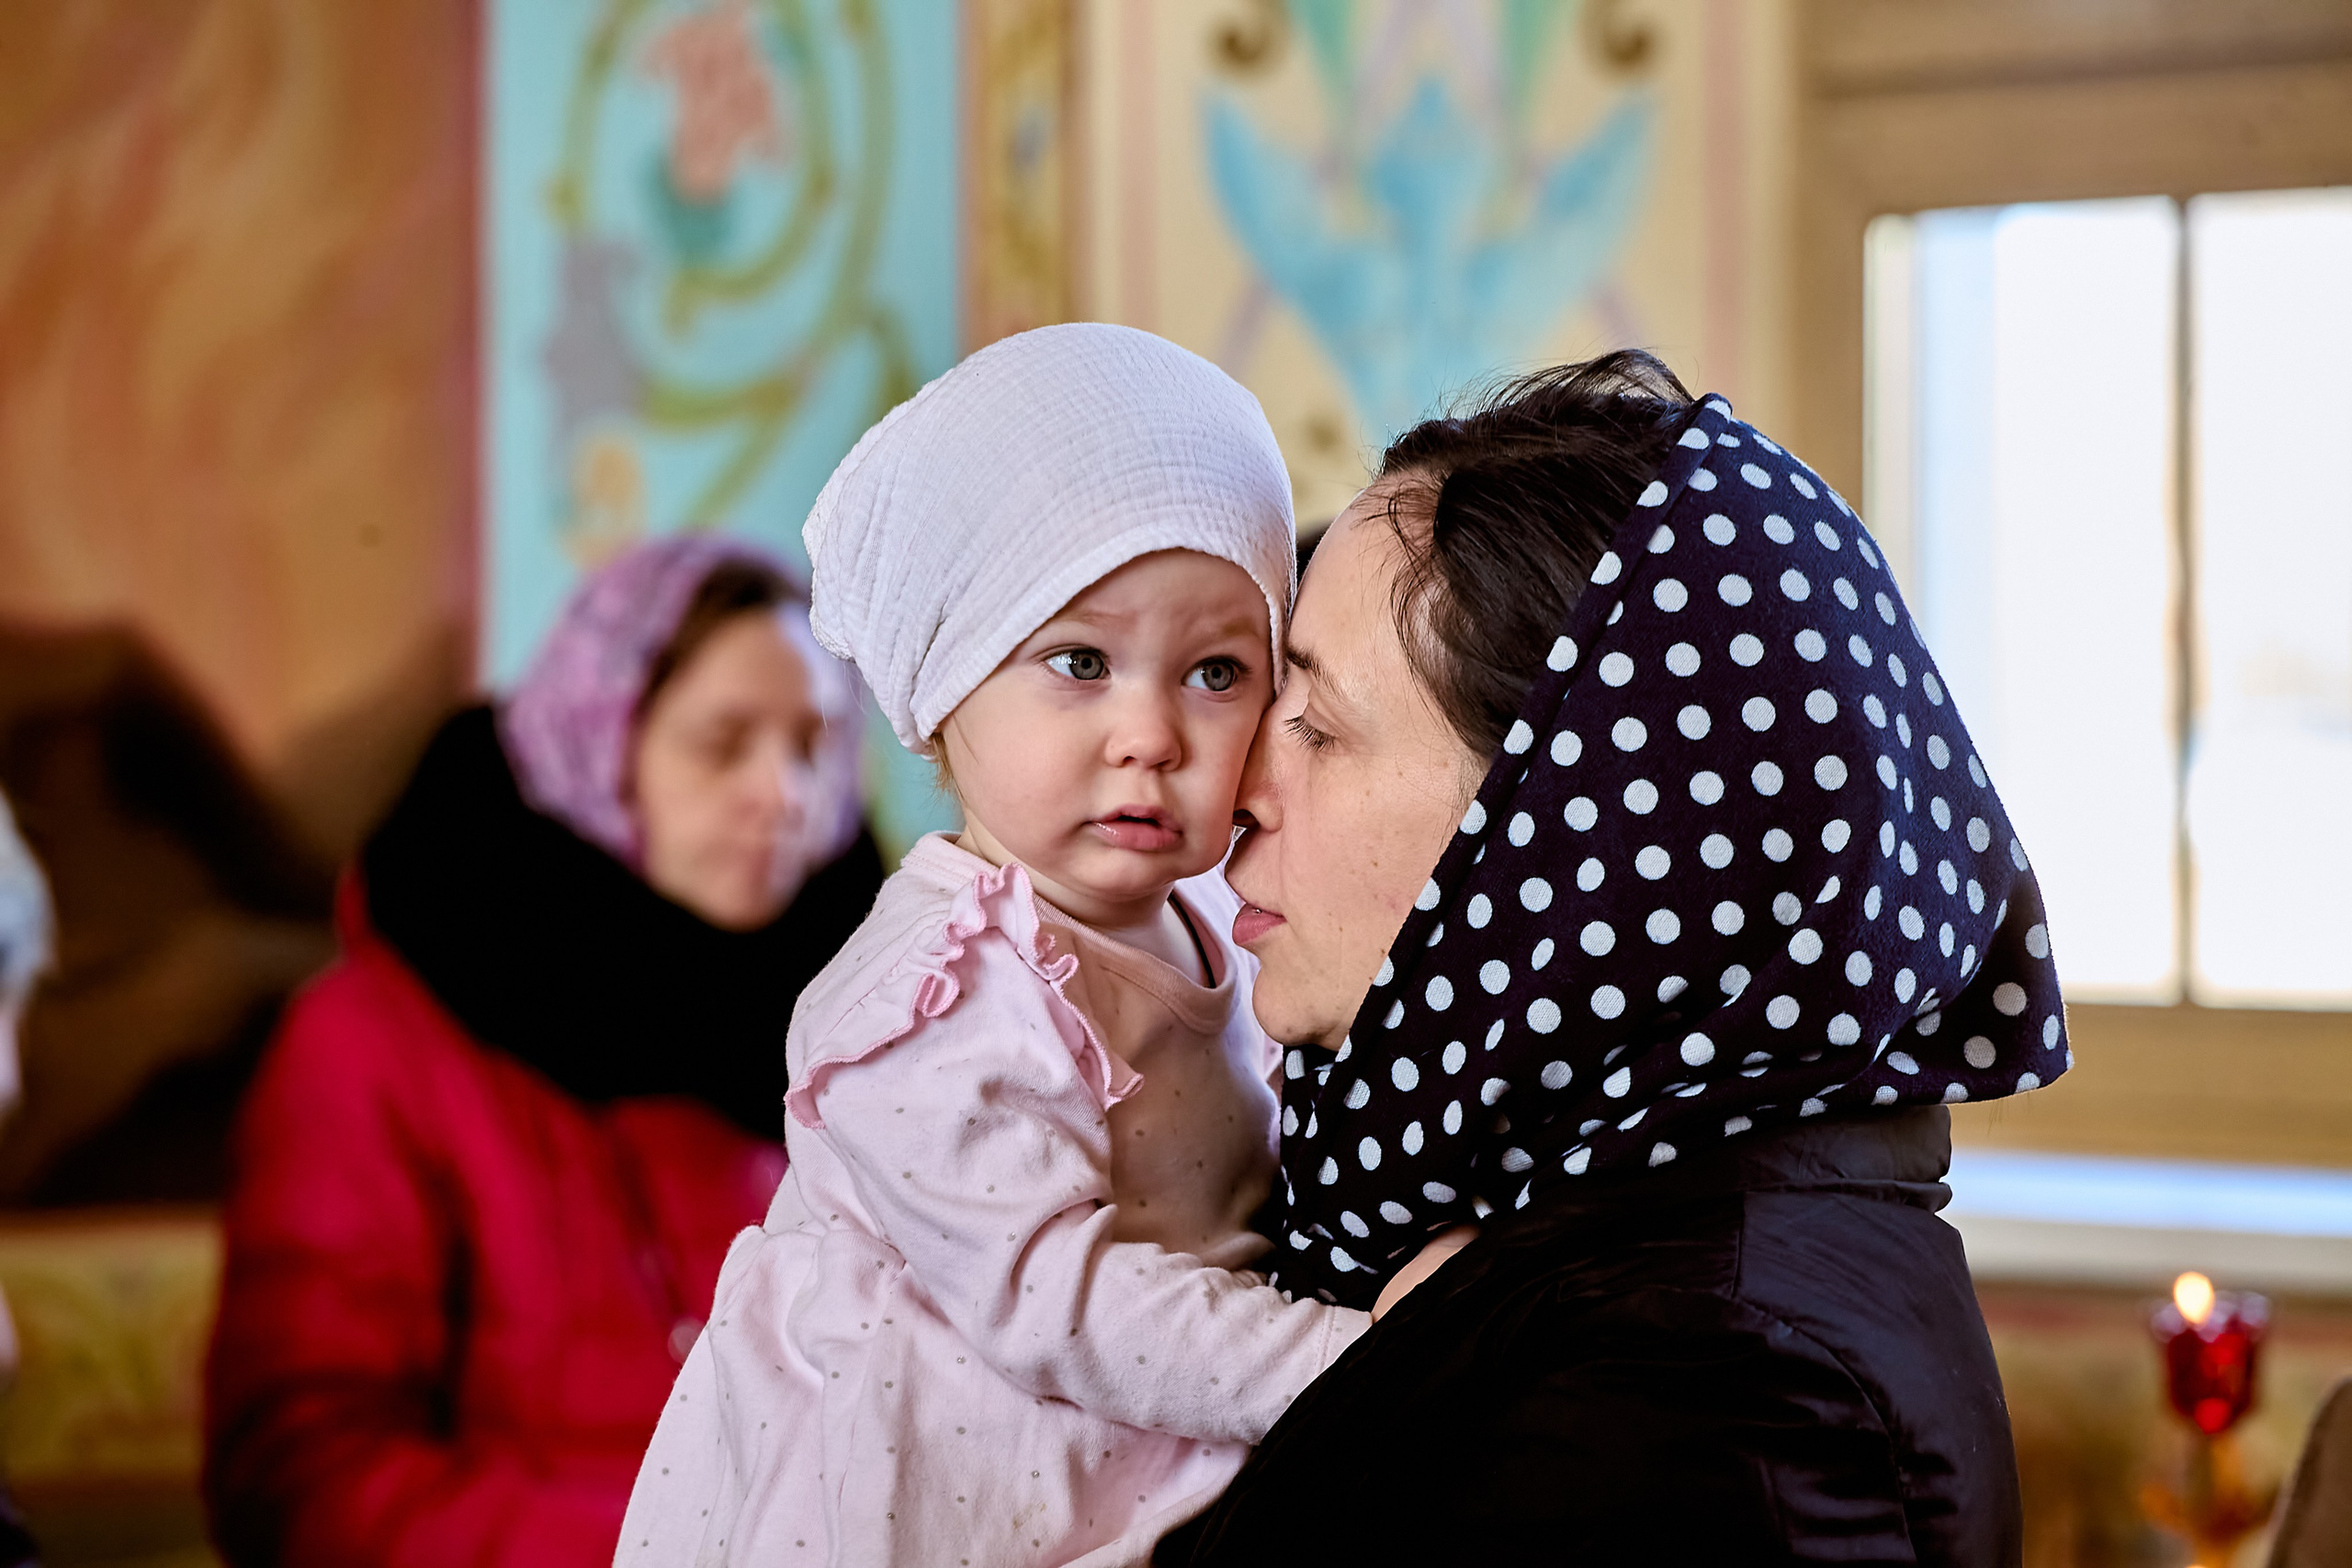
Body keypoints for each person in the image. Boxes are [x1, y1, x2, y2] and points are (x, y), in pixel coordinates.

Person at [1163, 352, 2064, 1564]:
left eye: (1317, 727)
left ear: (1579, 836)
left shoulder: (1694, 1401)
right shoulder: (1583, 1238)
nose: (1237, 794)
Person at [618, 325, 1368, 1568]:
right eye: (1080, 661)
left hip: (1157, 1405)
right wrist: (1361, 1356)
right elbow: (1058, 1301)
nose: (1150, 733)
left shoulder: (1232, 912)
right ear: (944, 686)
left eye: (1216, 671)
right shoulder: (942, 991)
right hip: (945, 1496)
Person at [204, 537, 886, 1568]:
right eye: (723, 743)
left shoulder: (871, 1028)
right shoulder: (368, 1046)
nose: (782, 793)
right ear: (594, 744)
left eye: (815, 744)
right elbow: (306, 1473)